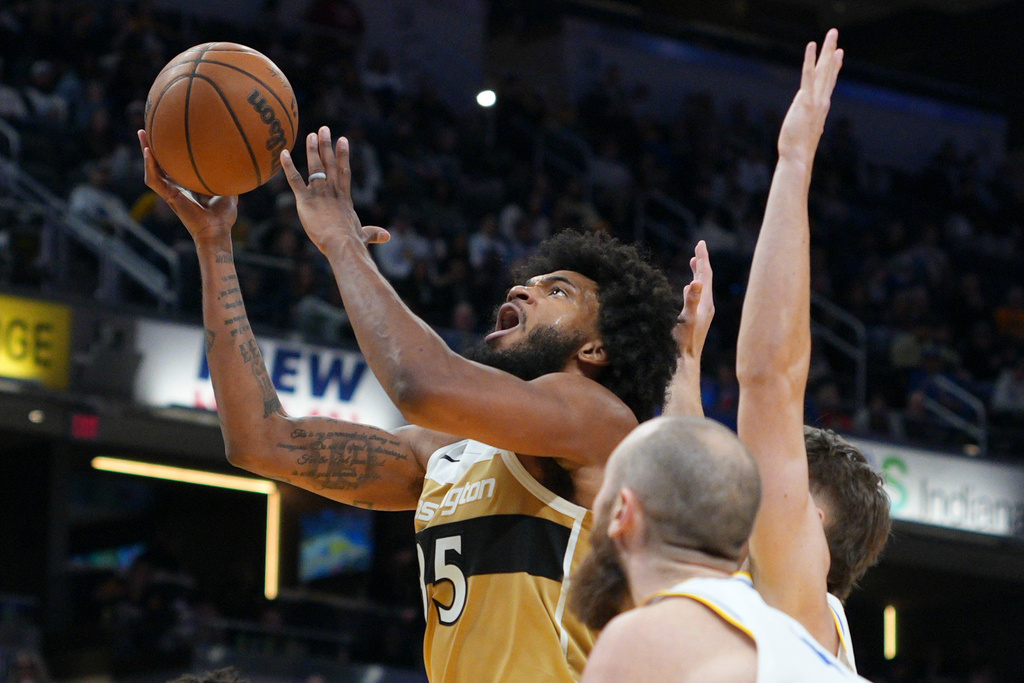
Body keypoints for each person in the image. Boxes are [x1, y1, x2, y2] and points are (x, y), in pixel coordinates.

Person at [137, 126, 679, 683]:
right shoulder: (443, 457)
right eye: (526, 284)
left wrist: (342, 243)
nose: (520, 291)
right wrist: (213, 244)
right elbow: (259, 441)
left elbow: (419, 384)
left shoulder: (596, 419)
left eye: (556, 291)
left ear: (597, 348)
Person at [665, 30, 890, 670]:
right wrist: (686, 360)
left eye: (764, 472)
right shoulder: (759, 604)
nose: (744, 479)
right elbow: (686, 473)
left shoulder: (798, 597)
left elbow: (769, 380)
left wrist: (795, 163)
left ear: (812, 524)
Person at [567, 416, 867, 682]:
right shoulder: (762, 626)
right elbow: (693, 469)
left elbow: (769, 383)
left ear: (622, 511)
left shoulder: (645, 639)